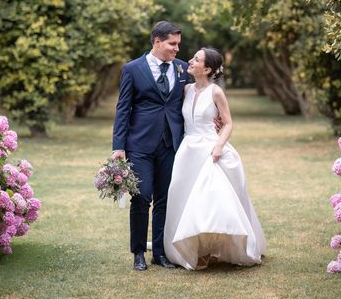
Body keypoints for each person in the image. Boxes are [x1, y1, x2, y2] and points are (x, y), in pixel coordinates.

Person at [164, 47, 266, 270]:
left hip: (210, 150)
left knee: (209, 202)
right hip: (187, 151)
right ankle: (187, 249)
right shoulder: (186, 89)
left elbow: (228, 122)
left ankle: (210, 250)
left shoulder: (216, 92)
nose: (190, 61)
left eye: (196, 59)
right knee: (184, 197)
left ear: (207, 68)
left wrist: (219, 145)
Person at [112, 21, 189, 271]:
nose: (177, 49)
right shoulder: (133, 69)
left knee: (164, 200)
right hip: (140, 144)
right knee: (142, 197)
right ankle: (138, 253)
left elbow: (192, 99)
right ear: (157, 41)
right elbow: (123, 109)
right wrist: (118, 146)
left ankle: (160, 252)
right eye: (172, 44)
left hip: (171, 144)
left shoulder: (182, 68)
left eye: (178, 44)